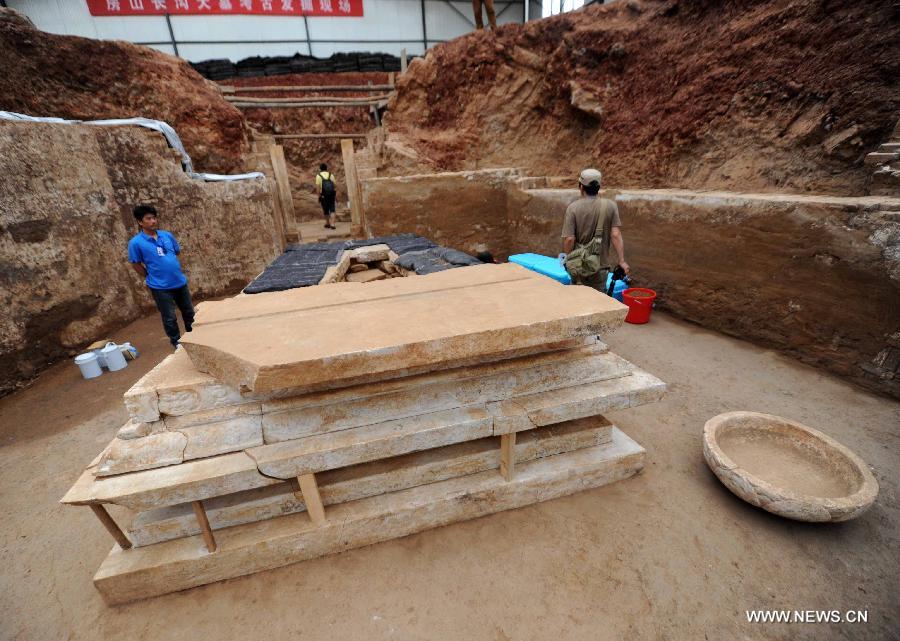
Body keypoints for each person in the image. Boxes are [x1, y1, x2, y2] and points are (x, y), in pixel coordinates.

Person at [127, 204, 194, 348]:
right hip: (160, 287)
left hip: (179, 282)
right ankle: (177, 342)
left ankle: (193, 337)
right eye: (148, 218)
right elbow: (136, 263)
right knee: (169, 317)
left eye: (154, 218)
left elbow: (176, 252)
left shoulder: (166, 235)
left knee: (189, 312)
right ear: (140, 222)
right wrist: (148, 276)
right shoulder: (136, 243)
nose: (153, 221)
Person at [561, 168, 630, 292]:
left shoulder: (573, 208)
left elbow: (569, 239)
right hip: (600, 268)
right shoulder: (610, 206)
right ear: (598, 187)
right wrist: (622, 261)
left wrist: (568, 259)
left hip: (578, 267)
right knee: (599, 303)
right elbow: (615, 235)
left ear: (581, 187)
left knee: (578, 299)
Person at [316, 163, 337, 230]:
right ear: (326, 168)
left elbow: (318, 188)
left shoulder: (318, 176)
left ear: (320, 169)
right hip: (331, 194)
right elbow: (335, 186)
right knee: (332, 209)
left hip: (323, 195)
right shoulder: (331, 175)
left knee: (326, 209)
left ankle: (328, 223)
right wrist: (335, 195)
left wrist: (319, 196)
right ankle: (333, 224)